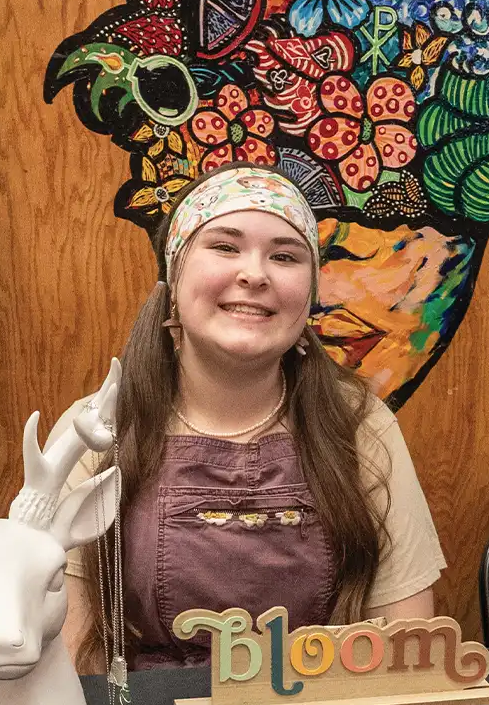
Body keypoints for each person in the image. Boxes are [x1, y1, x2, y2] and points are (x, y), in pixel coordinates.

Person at [62, 162, 445, 672]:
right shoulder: (95, 431)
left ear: (308, 296)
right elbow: (71, 658)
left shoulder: (362, 426)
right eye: (224, 246)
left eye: (285, 256)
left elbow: (406, 646)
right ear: (174, 277)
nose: (254, 273)